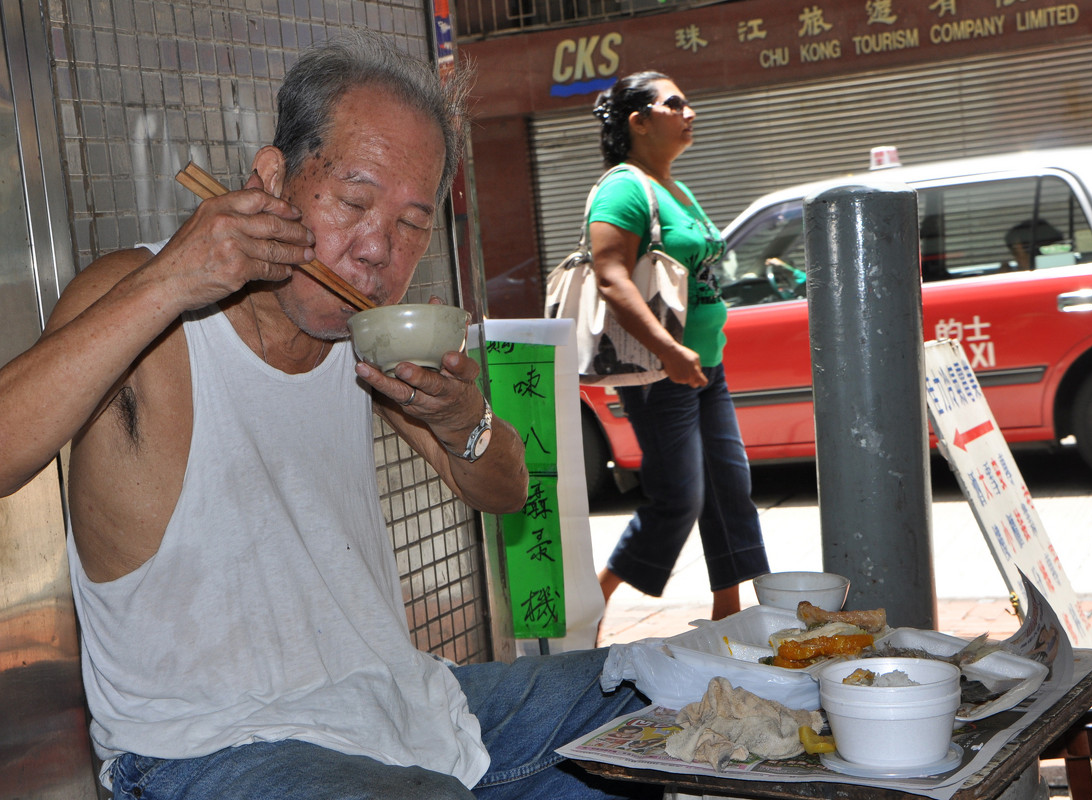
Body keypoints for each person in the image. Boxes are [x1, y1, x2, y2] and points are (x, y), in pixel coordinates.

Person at [0, 33, 652, 800]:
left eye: (412, 223)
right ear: (273, 178)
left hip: (397, 708)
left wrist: (464, 418)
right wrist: (173, 280)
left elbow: (504, 488)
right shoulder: (146, 302)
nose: (376, 248)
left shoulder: (365, 336)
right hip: (206, 747)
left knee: (656, 692)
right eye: (352, 201)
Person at [588, 72, 770, 621]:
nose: (689, 111)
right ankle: (591, 605)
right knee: (678, 500)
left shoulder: (675, 187)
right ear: (638, 122)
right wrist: (669, 348)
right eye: (675, 104)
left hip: (702, 367)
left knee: (729, 491)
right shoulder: (624, 187)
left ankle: (731, 618)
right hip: (659, 371)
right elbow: (610, 275)